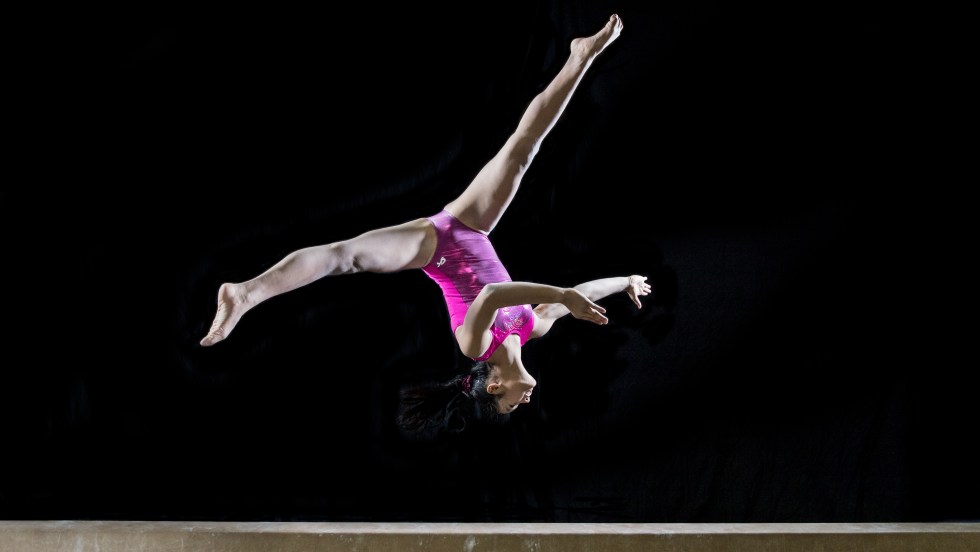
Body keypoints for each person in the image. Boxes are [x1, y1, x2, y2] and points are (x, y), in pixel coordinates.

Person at [200, 14, 650, 435]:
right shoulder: (534, 326)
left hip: (435, 246)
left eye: (512, 404)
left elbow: (493, 294)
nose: (525, 401)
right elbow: (583, 296)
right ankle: (580, 57)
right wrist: (623, 280)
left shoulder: (476, 345)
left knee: (346, 257)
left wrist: (561, 295)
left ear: (495, 387)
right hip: (472, 228)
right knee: (522, 151)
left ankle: (245, 292)